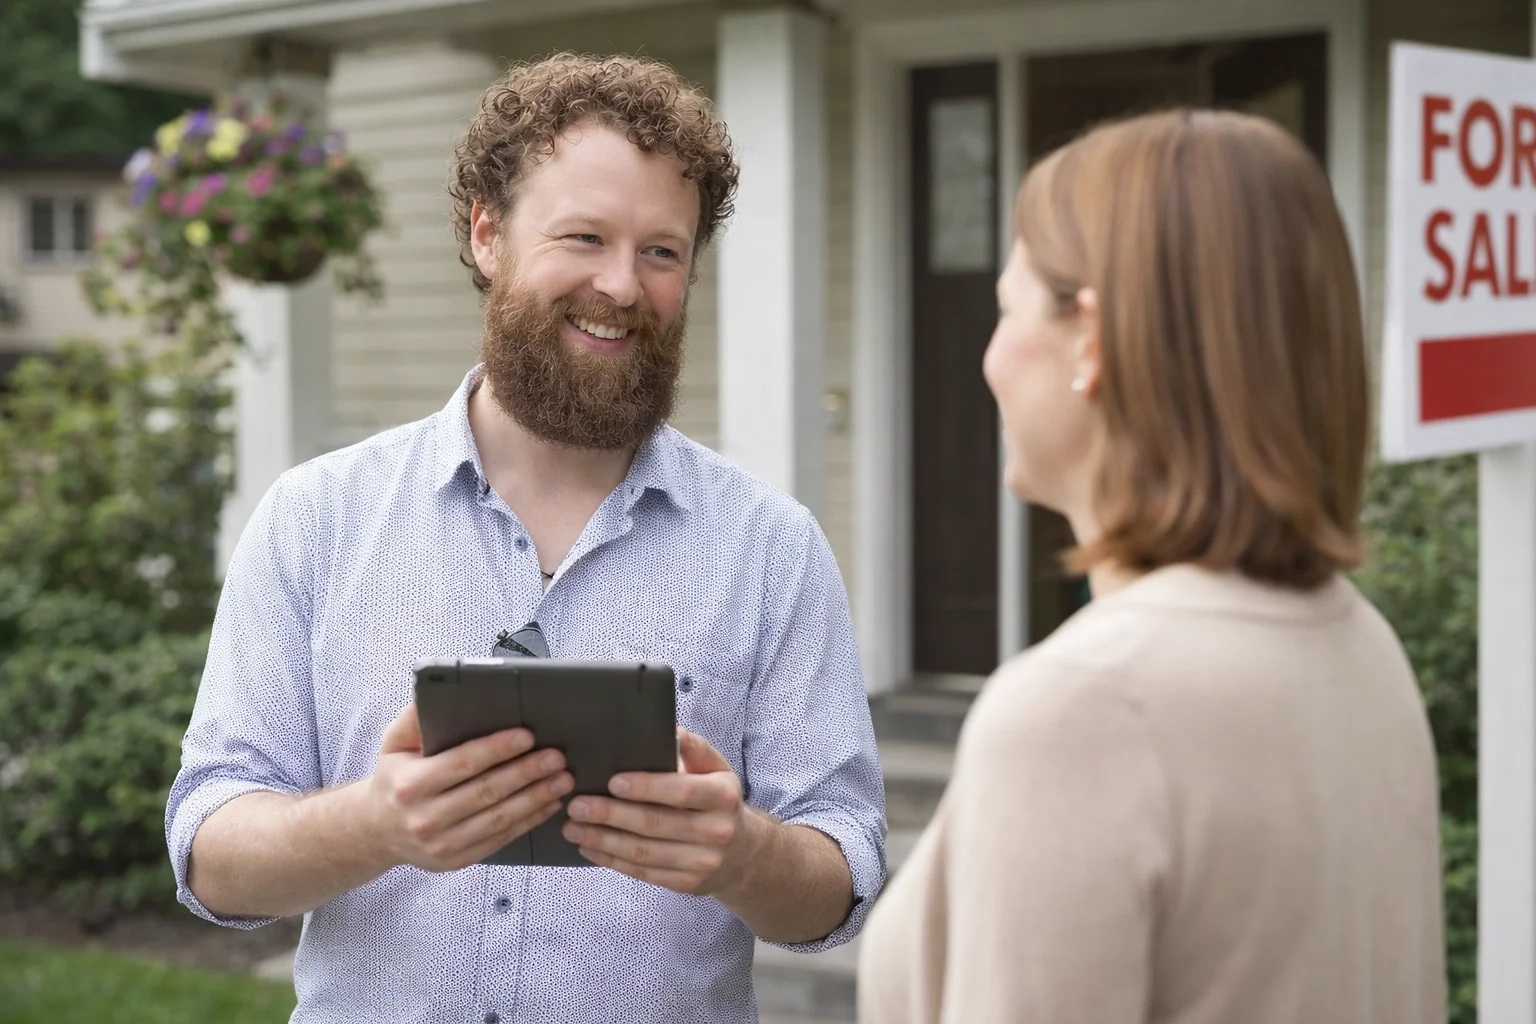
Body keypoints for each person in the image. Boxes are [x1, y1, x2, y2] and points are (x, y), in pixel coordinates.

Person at [168, 53, 886, 1024]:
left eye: (662, 252)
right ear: (487, 234)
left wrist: (745, 854)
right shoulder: (317, 518)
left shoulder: (772, 548)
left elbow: (842, 881)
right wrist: (375, 823)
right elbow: (210, 853)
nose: (622, 285)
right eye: (584, 236)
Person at [857, 109, 1446, 1023]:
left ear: (1090, 339)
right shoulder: (1361, 643)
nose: (988, 359)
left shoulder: (1079, 711)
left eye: (1007, 309)